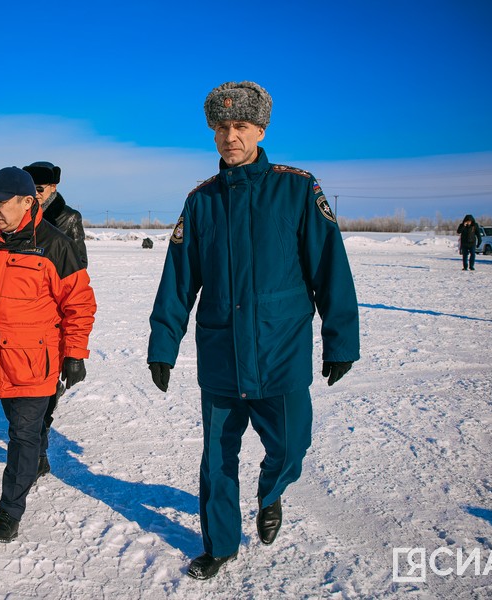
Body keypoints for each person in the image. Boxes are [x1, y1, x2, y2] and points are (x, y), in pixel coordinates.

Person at [147, 82, 360, 580]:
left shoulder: (297, 189)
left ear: (260, 130)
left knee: (290, 445)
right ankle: (220, 544)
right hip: (221, 350)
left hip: (279, 350)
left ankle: (272, 491)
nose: (230, 136)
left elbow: (330, 267)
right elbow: (179, 279)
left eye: (240, 126)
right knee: (217, 459)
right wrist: (163, 343)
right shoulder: (200, 202)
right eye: (221, 127)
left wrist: (340, 338)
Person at [0, 166, 96, 543]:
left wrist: (75, 353)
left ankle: (8, 513)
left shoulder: (54, 244)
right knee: (23, 428)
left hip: (36, 362)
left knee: (21, 435)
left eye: (1, 201)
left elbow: (80, 303)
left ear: (28, 202)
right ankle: (39, 454)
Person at [22, 161, 89, 482]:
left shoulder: (68, 218)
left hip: (56, 312)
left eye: (40, 189)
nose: (34, 195)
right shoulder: (19, 217)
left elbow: (79, 264)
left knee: (48, 383)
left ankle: (39, 450)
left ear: (53, 189)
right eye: (29, 189)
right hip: (23, 311)